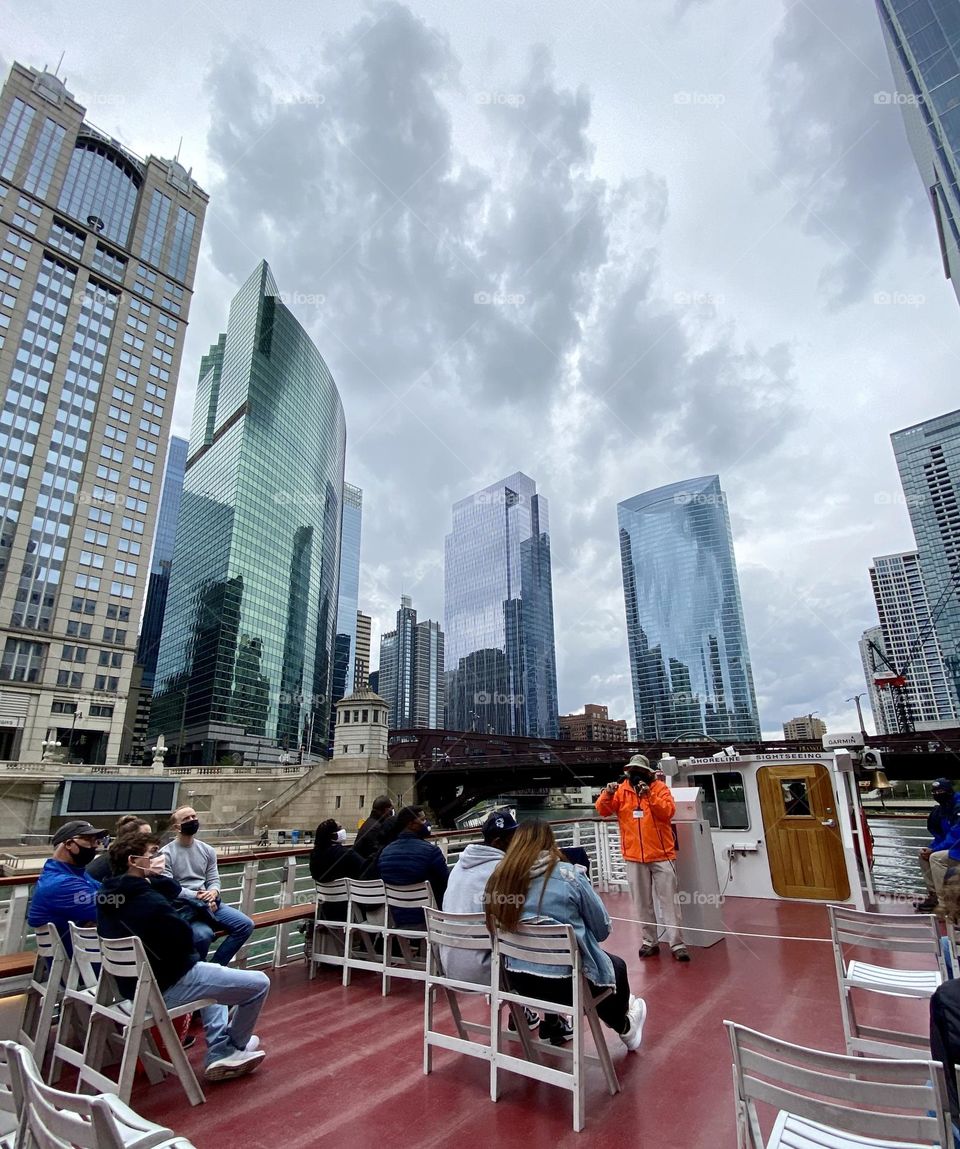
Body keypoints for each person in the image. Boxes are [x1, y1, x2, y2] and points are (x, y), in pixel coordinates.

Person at [97, 830, 269, 1082]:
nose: (158, 858)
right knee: (258, 984)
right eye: (152, 854)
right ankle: (231, 1048)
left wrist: (156, 882)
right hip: (165, 985)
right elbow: (182, 936)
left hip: (132, 988)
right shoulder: (148, 900)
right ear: (133, 861)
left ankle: (221, 1046)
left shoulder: (107, 894)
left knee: (216, 981)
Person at [484, 820, 646, 1050]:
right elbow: (601, 931)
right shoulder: (570, 876)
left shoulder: (498, 880)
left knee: (604, 970)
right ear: (550, 842)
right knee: (615, 967)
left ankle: (625, 1024)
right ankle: (624, 1025)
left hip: (519, 984)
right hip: (567, 987)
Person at [595, 753, 689, 962]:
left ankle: (677, 943)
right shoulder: (621, 791)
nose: (635, 775)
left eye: (639, 771)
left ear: (648, 773)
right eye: (632, 771)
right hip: (634, 855)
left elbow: (667, 812)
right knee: (642, 902)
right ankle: (649, 941)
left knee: (669, 901)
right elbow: (602, 810)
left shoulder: (660, 789)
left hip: (661, 854)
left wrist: (649, 796)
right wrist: (607, 794)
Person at [160, 806, 254, 966]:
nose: (192, 820)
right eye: (186, 819)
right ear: (176, 827)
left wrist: (213, 892)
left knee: (245, 925)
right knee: (203, 936)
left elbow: (214, 879)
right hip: (184, 908)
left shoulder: (207, 850)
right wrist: (198, 897)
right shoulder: (165, 854)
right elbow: (170, 889)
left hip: (209, 902)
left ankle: (215, 968)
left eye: (193, 816)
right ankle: (195, 973)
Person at [28, 820, 107, 952]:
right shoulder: (61, 883)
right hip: (82, 963)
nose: (95, 846)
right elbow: (112, 910)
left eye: (96, 841)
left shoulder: (78, 875)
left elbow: (110, 896)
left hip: (88, 956)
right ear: (69, 843)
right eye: (89, 840)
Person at [376, 805, 448, 927]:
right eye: (423, 819)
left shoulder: (385, 853)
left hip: (397, 918)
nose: (426, 823)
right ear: (411, 824)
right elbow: (446, 882)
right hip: (429, 918)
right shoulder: (431, 851)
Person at [918, 778, 960, 912]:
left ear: (949, 791)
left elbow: (956, 834)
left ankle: (947, 903)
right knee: (923, 855)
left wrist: (934, 850)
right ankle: (934, 896)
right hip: (954, 850)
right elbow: (941, 836)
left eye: (941, 791)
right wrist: (931, 848)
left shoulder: (958, 806)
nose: (937, 794)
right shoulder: (941, 810)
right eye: (935, 792)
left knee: (935, 857)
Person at [87, 815, 151, 882]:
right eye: (145, 836)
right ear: (129, 837)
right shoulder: (117, 860)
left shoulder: (122, 857)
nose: (150, 839)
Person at [353, 796, 395, 860]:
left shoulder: (369, 823)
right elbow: (377, 855)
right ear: (386, 810)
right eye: (391, 809)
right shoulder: (376, 828)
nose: (392, 812)